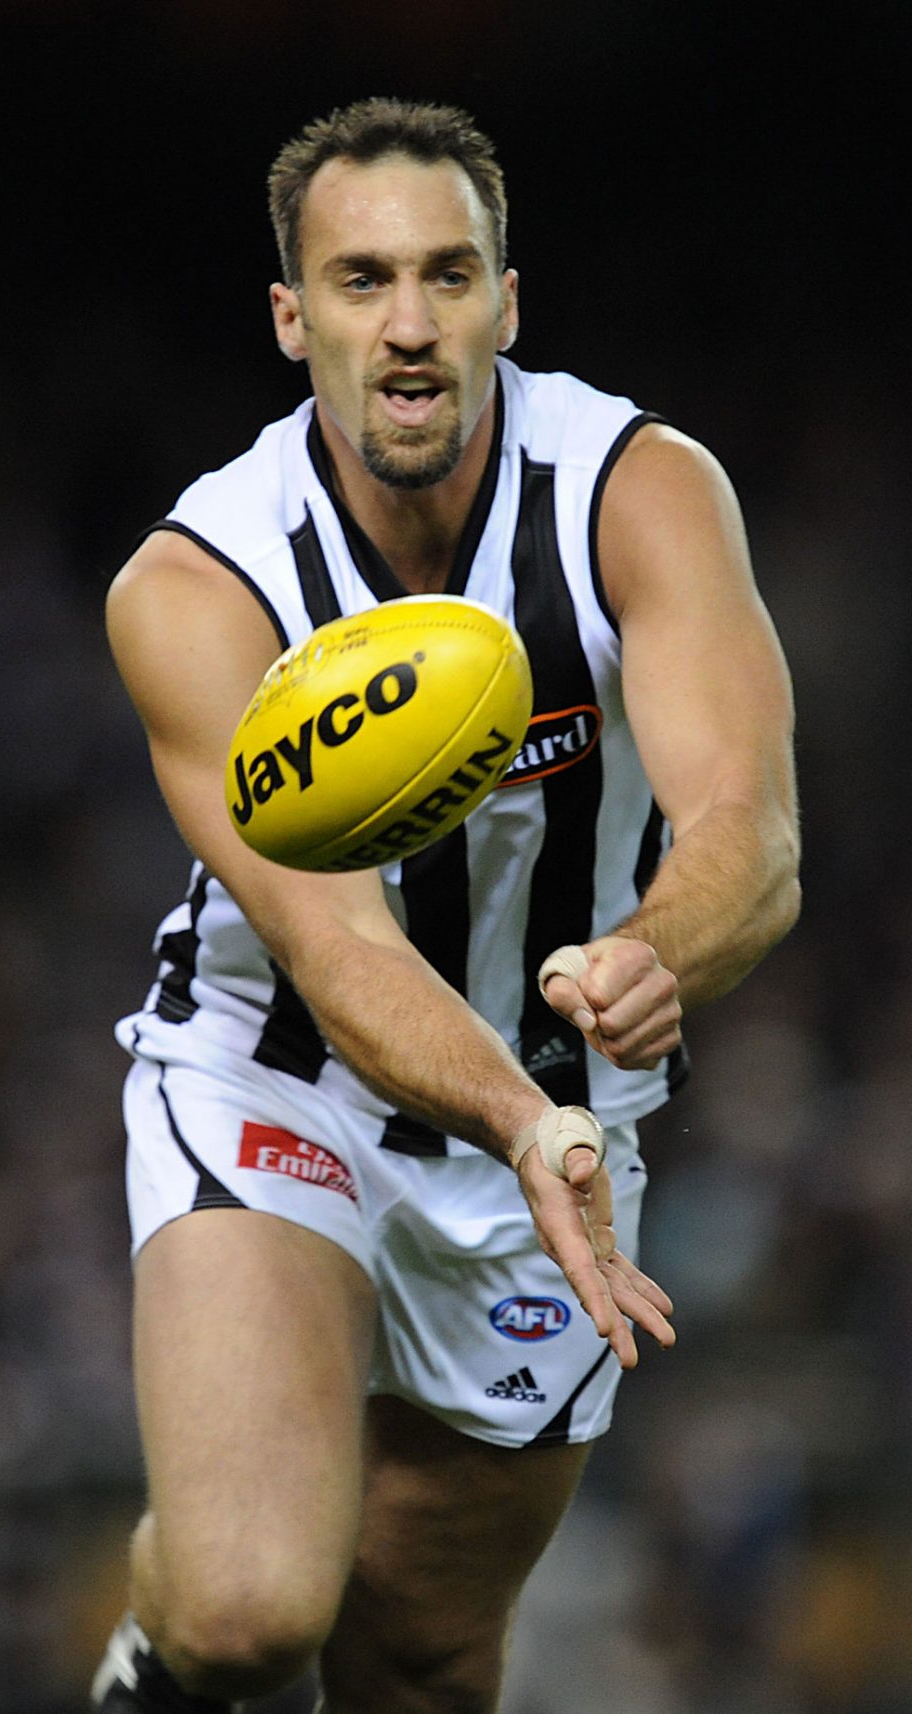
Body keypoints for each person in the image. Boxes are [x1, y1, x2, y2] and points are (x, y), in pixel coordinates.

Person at [92, 98, 799, 1713]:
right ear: (291, 319)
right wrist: (519, 1113)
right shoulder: (197, 587)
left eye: (447, 274)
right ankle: (157, 1619)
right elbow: (337, 952)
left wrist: (644, 955)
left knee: (417, 1653)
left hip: (554, 1113)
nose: (408, 326)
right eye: (358, 282)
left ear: (509, 302)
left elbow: (752, 836)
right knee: (248, 1609)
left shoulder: (642, 491)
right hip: (286, 1078)